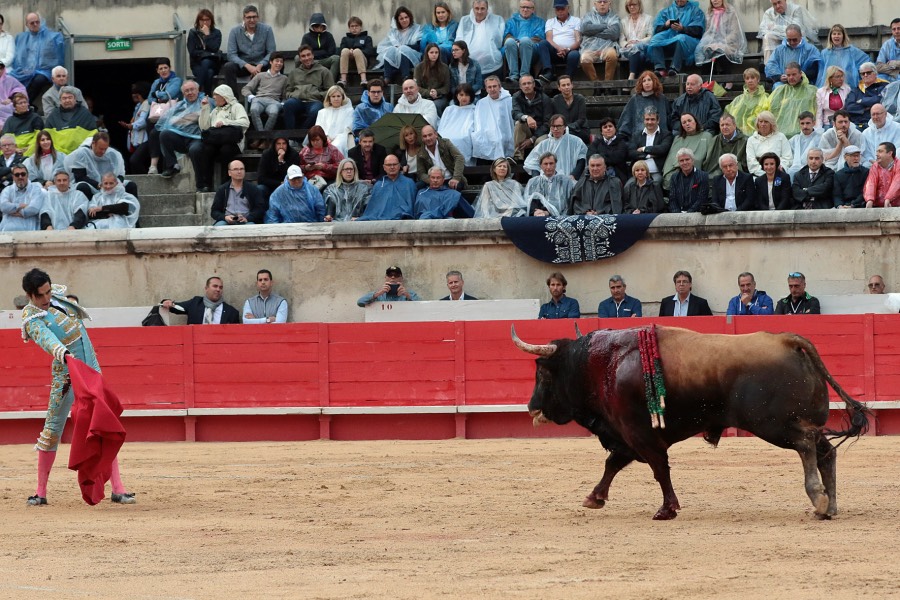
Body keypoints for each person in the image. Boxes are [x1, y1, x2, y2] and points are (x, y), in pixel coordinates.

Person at [20, 268, 136, 507]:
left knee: (105, 425)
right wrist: (62, 353)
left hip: (91, 369)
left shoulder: (58, 296)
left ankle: (118, 489)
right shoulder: (31, 318)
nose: (46, 299)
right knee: (52, 429)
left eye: (48, 292)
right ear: (30, 295)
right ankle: (40, 492)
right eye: (41, 295)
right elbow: (46, 339)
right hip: (67, 375)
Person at [195, 85, 249, 192]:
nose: (214, 97)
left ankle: (226, 183)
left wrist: (226, 122)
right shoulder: (215, 111)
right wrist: (205, 109)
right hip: (216, 142)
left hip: (233, 142)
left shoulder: (236, 107)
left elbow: (245, 122)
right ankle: (207, 184)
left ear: (224, 97)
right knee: (207, 150)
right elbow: (204, 127)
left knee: (226, 150)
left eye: (216, 95)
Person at [149, 80, 204, 180]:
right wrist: (187, 119)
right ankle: (172, 166)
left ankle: (201, 183)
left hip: (197, 138)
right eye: (187, 91)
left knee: (194, 150)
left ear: (197, 90)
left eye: (192, 90)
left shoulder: (205, 102)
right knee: (164, 134)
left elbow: (200, 116)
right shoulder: (180, 105)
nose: (190, 93)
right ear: (183, 93)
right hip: (181, 138)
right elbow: (169, 121)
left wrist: (182, 120)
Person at [222, 5, 276, 99]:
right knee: (228, 67)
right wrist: (247, 66)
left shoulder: (267, 30)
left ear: (258, 17)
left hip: (261, 65)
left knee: (278, 63)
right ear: (244, 18)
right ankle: (233, 100)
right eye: (249, 17)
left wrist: (261, 64)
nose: (252, 20)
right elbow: (231, 54)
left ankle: (273, 97)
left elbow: (271, 52)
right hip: (243, 66)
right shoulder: (235, 31)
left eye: (254, 17)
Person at [66, 132, 137, 200]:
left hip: (111, 184)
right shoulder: (81, 154)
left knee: (131, 185)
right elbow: (80, 177)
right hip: (92, 185)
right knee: (82, 187)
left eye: (105, 149)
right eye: (101, 148)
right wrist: (99, 185)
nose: (103, 152)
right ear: (93, 143)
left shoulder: (113, 154)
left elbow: (120, 174)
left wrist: (114, 184)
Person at [8, 13, 64, 102]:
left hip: (44, 70)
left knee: (38, 80)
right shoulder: (22, 37)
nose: (35, 24)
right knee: (10, 78)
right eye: (32, 23)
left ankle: (24, 103)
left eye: (37, 22)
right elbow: (18, 58)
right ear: (27, 25)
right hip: (25, 70)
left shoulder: (52, 37)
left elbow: (56, 58)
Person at [646, 0, 705, 77]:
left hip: (688, 44)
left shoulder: (696, 11)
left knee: (680, 38)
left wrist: (682, 29)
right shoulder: (665, 12)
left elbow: (698, 31)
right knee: (655, 39)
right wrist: (665, 25)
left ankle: (674, 68)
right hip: (669, 42)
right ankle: (660, 68)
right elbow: (656, 30)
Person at [283, 45, 334, 130]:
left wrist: (318, 94)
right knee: (288, 105)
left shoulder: (323, 71)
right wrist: (292, 95)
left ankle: (301, 135)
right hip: (297, 100)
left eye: (308, 55)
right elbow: (288, 90)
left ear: (313, 55)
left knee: (316, 111)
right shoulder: (294, 73)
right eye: (303, 56)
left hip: (315, 101)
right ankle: (290, 137)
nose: (306, 58)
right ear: (299, 59)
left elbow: (331, 90)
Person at [242, 51, 286, 146]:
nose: (279, 63)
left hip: (274, 101)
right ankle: (262, 138)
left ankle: (262, 139)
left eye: (281, 62)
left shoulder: (284, 79)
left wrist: (282, 103)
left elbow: (286, 94)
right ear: (271, 62)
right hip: (259, 99)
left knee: (274, 112)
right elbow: (246, 88)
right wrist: (252, 97)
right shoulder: (260, 75)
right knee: (254, 109)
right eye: (277, 61)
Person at [525, 114, 587, 179]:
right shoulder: (544, 144)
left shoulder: (576, 142)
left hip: (570, 181)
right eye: (553, 126)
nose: (555, 129)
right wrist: (537, 179)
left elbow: (582, 159)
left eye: (558, 126)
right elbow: (533, 163)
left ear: (565, 127)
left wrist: (573, 176)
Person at [358, 154, 417, 220]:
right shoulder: (378, 185)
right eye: (389, 165)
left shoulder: (409, 183)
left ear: (399, 166)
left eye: (394, 164)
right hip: (380, 221)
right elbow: (372, 209)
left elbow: (413, 207)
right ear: (384, 167)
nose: (392, 167)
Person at [661, 112, 712, 188]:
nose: (687, 124)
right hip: (678, 171)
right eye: (684, 122)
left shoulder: (707, 136)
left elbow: (709, 159)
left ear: (695, 121)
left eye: (689, 120)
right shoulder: (678, 139)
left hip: (697, 172)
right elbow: (671, 159)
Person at [455, 0, 505, 78]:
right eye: (477, 8)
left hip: (493, 65)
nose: (479, 11)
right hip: (469, 65)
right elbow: (459, 41)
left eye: (482, 8)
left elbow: (499, 42)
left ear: (487, 9)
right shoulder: (465, 20)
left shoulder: (497, 20)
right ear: (472, 8)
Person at [161, 276, 241, 325]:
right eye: (215, 286)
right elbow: (176, 307)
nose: (218, 289)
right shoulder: (195, 303)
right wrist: (166, 302)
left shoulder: (231, 312)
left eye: (220, 287)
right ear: (206, 288)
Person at [694, 0, 746, 74]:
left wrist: (722, 41)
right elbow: (708, 32)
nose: (715, 1)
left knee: (720, 50)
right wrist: (713, 42)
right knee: (707, 50)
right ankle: (707, 79)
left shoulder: (731, 12)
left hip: (729, 43)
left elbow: (734, 32)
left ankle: (728, 79)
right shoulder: (709, 13)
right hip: (712, 43)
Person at [767, 62, 817, 138]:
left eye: (794, 74)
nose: (791, 77)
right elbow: (772, 111)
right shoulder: (779, 91)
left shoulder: (812, 91)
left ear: (800, 74)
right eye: (788, 75)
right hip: (781, 133)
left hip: (804, 132)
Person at [537, 0, 582, 82]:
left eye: (562, 9)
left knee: (575, 54)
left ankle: (567, 79)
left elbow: (578, 40)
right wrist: (559, 48)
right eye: (558, 9)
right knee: (543, 43)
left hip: (569, 51)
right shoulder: (550, 22)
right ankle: (548, 72)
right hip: (555, 52)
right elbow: (549, 39)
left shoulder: (576, 20)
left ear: (568, 8)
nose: (560, 11)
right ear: (555, 10)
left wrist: (567, 49)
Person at [376, 7, 423, 84]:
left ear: (410, 17)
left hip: (412, 57)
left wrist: (402, 47)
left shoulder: (417, 29)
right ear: (398, 20)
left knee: (403, 50)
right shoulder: (393, 32)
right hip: (395, 57)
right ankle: (386, 78)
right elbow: (387, 45)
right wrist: (396, 48)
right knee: (390, 50)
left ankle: (405, 77)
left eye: (406, 17)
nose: (404, 20)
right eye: (401, 18)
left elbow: (418, 47)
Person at [210, 160, 266, 225]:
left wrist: (248, 218)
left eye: (241, 169)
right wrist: (225, 217)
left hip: (246, 220)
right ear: (229, 173)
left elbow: (260, 209)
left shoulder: (253, 189)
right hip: (227, 221)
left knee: (251, 227)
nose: (239, 172)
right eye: (235, 169)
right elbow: (214, 211)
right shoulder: (222, 189)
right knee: (219, 226)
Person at [472, 75, 514, 161]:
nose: (492, 89)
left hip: (507, 132)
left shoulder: (509, 100)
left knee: (501, 139)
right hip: (488, 131)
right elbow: (479, 122)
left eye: (494, 86)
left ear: (499, 87)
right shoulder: (481, 103)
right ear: (486, 89)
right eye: (489, 87)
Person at [511, 75, 553, 161]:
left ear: (534, 84)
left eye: (529, 83)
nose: (526, 86)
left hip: (542, 131)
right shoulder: (516, 96)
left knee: (539, 142)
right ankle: (518, 157)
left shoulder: (544, 98)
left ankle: (538, 162)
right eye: (524, 84)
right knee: (519, 123)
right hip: (527, 129)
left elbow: (547, 123)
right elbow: (515, 113)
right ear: (520, 86)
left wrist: (532, 139)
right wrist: (527, 117)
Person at [503, 0, 545, 83]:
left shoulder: (539, 22)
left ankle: (524, 74)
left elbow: (539, 37)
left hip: (532, 49)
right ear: (519, 8)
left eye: (528, 7)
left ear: (533, 9)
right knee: (509, 42)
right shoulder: (512, 21)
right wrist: (517, 43)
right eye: (523, 7)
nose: (525, 10)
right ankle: (513, 75)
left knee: (525, 41)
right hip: (514, 48)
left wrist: (522, 43)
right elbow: (507, 35)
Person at [817, 24, 870, 89]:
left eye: (839, 34)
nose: (836, 36)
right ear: (830, 36)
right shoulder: (825, 53)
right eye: (834, 34)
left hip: (848, 88)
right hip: (829, 89)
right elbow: (821, 74)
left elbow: (866, 63)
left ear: (843, 36)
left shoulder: (852, 51)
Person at [579, 0, 620, 84]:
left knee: (612, 55)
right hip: (589, 48)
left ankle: (607, 85)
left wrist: (593, 32)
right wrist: (606, 26)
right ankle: (596, 84)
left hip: (608, 47)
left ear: (609, 3)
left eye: (605, 1)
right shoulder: (588, 16)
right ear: (595, 4)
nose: (602, 4)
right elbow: (585, 29)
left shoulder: (614, 17)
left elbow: (614, 34)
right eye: (599, 1)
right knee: (584, 59)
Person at [628, 106, 672, 183]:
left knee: (655, 184)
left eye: (652, 119)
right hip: (638, 173)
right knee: (627, 187)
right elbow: (631, 152)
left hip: (656, 173)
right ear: (644, 120)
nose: (649, 122)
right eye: (647, 119)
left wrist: (644, 149)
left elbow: (662, 149)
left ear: (658, 120)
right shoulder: (636, 135)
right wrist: (649, 155)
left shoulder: (666, 134)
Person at [417, 124, 467, 190]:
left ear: (436, 134)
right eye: (425, 136)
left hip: (450, 178)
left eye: (430, 135)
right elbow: (421, 173)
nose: (428, 138)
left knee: (457, 186)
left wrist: (456, 178)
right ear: (422, 139)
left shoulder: (446, 143)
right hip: (433, 180)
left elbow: (459, 157)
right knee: (417, 186)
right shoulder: (420, 152)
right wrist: (431, 181)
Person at [187, 8, 223, 96]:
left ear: (211, 21)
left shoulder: (216, 33)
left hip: (213, 63)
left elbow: (214, 48)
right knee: (209, 72)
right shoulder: (193, 33)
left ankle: (196, 90)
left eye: (207, 20)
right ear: (198, 21)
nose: (205, 22)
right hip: (197, 64)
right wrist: (206, 54)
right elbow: (192, 52)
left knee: (206, 62)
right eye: (202, 20)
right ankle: (207, 96)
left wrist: (207, 36)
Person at [746, 111, 792, 177]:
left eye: (766, 122)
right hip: (758, 176)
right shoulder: (751, 140)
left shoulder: (781, 137)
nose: (763, 124)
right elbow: (751, 161)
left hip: (779, 174)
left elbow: (788, 157)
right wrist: (765, 174)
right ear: (757, 123)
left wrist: (779, 169)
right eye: (761, 121)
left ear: (771, 124)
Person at [439, 83, 477, 165]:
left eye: (467, 95)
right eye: (461, 94)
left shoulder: (474, 110)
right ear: (457, 96)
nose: (464, 97)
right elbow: (442, 127)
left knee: (462, 138)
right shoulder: (449, 109)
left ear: (471, 96)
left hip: (465, 136)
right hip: (448, 134)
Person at [845, 63, 889, 131]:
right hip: (857, 124)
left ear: (875, 73)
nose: (865, 75)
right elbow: (850, 107)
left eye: (868, 73)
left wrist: (862, 101)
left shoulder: (884, 86)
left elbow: (880, 100)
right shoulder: (855, 91)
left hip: (877, 124)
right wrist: (866, 108)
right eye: (863, 73)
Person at [725, 67, 769, 136]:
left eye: (752, 78)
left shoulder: (766, 97)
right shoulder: (738, 99)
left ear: (758, 79)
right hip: (738, 135)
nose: (750, 81)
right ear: (745, 81)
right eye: (747, 78)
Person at [0, 164, 44, 231]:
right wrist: (20, 206)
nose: (20, 177)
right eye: (17, 175)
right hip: (7, 231)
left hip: (30, 232)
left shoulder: (36, 189)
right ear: (13, 177)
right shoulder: (7, 190)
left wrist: (11, 210)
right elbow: (3, 206)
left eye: (23, 174)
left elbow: (33, 209)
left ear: (27, 175)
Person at [314, 85, 354, 158]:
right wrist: (326, 137)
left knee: (336, 146)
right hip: (324, 138)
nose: (336, 99)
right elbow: (318, 128)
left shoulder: (349, 111)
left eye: (338, 96)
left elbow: (348, 128)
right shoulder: (322, 112)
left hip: (342, 138)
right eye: (333, 96)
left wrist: (335, 138)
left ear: (342, 97)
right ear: (329, 98)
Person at [703, 113, 746, 178]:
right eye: (722, 125)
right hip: (717, 174)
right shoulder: (714, 140)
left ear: (734, 126)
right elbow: (710, 162)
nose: (724, 127)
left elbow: (745, 163)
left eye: (727, 124)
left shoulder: (744, 140)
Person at [619, 0, 654, 80]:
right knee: (634, 51)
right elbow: (621, 39)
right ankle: (639, 81)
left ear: (639, 5)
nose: (632, 7)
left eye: (634, 4)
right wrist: (627, 44)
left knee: (639, 54)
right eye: (629, 5)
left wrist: (639, 42)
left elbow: (650, 36)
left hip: (643, 47)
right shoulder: (623, 21)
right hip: (628, 48)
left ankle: (632, 77)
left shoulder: (648, 19)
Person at [300, 125, 343, 189]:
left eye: (317, 140)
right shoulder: (304, 151)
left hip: (328, 181)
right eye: (312, 140)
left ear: (322, 139)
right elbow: (297, 167)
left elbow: (341, 166)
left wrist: (324, 166)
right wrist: (306, 168)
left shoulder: (332, 150)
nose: (315, 143)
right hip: (309, 180)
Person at [121, 82, 151, 174]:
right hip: (138, 140)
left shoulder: (146, 104)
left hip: (145, 139)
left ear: (140, 93)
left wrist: (131, 125)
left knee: (135, 160)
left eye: (135, 92)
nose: (133, 95)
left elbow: (143, 121)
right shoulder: (139, 105)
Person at [338, 16, 376, 88]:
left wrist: (356, 50)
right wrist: (350, 51)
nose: (354, 28)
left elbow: (370, 51)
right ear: (349, 28)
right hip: (349, 64)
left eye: (356, 26)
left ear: (360, 27)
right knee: (345, 50)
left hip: (363, 63)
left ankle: (364, 80)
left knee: (357, 51)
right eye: (352, 26)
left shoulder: (367, 38)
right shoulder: (345, 39)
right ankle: (343, 80)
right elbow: (340, 52)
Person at [414, 43, 451, 115]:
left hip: (440, 97)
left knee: (435, 105)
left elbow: (447, 87)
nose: (434, 55)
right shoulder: (419, 67)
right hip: (423, 97)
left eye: (436, 52)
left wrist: (437, 92)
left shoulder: (444, 67)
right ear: (427, 53)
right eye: (431, 52)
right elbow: (416, 87)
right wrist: (429, 93)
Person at [301, 13, 340, 83]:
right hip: (310, 60)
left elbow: (331, 52)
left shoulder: (328, 36)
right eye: (316, 26)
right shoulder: (306, 37)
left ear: (323, 26)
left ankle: (330, 83)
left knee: (336, 58)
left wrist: (314, 53)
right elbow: (303, 51)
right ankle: (300, 81)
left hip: (325, 60)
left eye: (320, 26)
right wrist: (323, 52)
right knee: (298, 58)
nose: (318, 28)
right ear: (312, 26)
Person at [667, 147, 708, 212]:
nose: (685, 162)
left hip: (696, 213)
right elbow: (672, 199)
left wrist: (688, 214)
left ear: (692, 160)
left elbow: (701, 199)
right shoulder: (674, 177)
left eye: (687, 159)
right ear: (678, 163)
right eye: (681, 160)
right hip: (677, 215)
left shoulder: (703, 176)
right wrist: (677, 214)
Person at [551, 75, 589, 144]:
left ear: (572, 85)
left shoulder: (580, 99)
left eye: (568, 84)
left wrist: (567, 128)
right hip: (561, 131)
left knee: (566, 137)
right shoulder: (555, 100)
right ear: (559, 88)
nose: (566, 87)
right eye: (563, 85)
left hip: (580, 130)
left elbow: (582, 119)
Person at [863, 142, 900, 208]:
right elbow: (871, 183)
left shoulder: (898, 165)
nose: (876, 154)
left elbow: (897, 183)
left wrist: (888, 198)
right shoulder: (875, 166)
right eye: (877, 152)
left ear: (889, 153)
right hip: (878, 205)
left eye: (880, 151)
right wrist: (869, 199)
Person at [786, 111, 823, 177]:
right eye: (802, 123)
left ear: (814, 123)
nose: (805, 126)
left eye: (808, 123)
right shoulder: (794, 140)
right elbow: (788, 157)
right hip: (793, 171)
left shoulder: (820, 138)